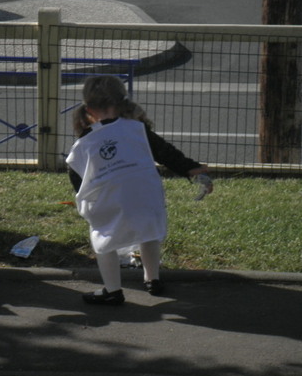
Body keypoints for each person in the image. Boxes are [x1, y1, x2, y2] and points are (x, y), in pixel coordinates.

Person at [66, 75, 212, 305]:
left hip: (110, 198)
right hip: (145, 194)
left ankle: (113, 291)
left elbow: (77, 174)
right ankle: (152, 278)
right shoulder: (137, 129)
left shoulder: (85, 141)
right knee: (149, 232)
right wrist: (193, 169)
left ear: (88, 108)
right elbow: (166, 153)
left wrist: (86, 204)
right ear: (122, 101)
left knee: (103, 239)